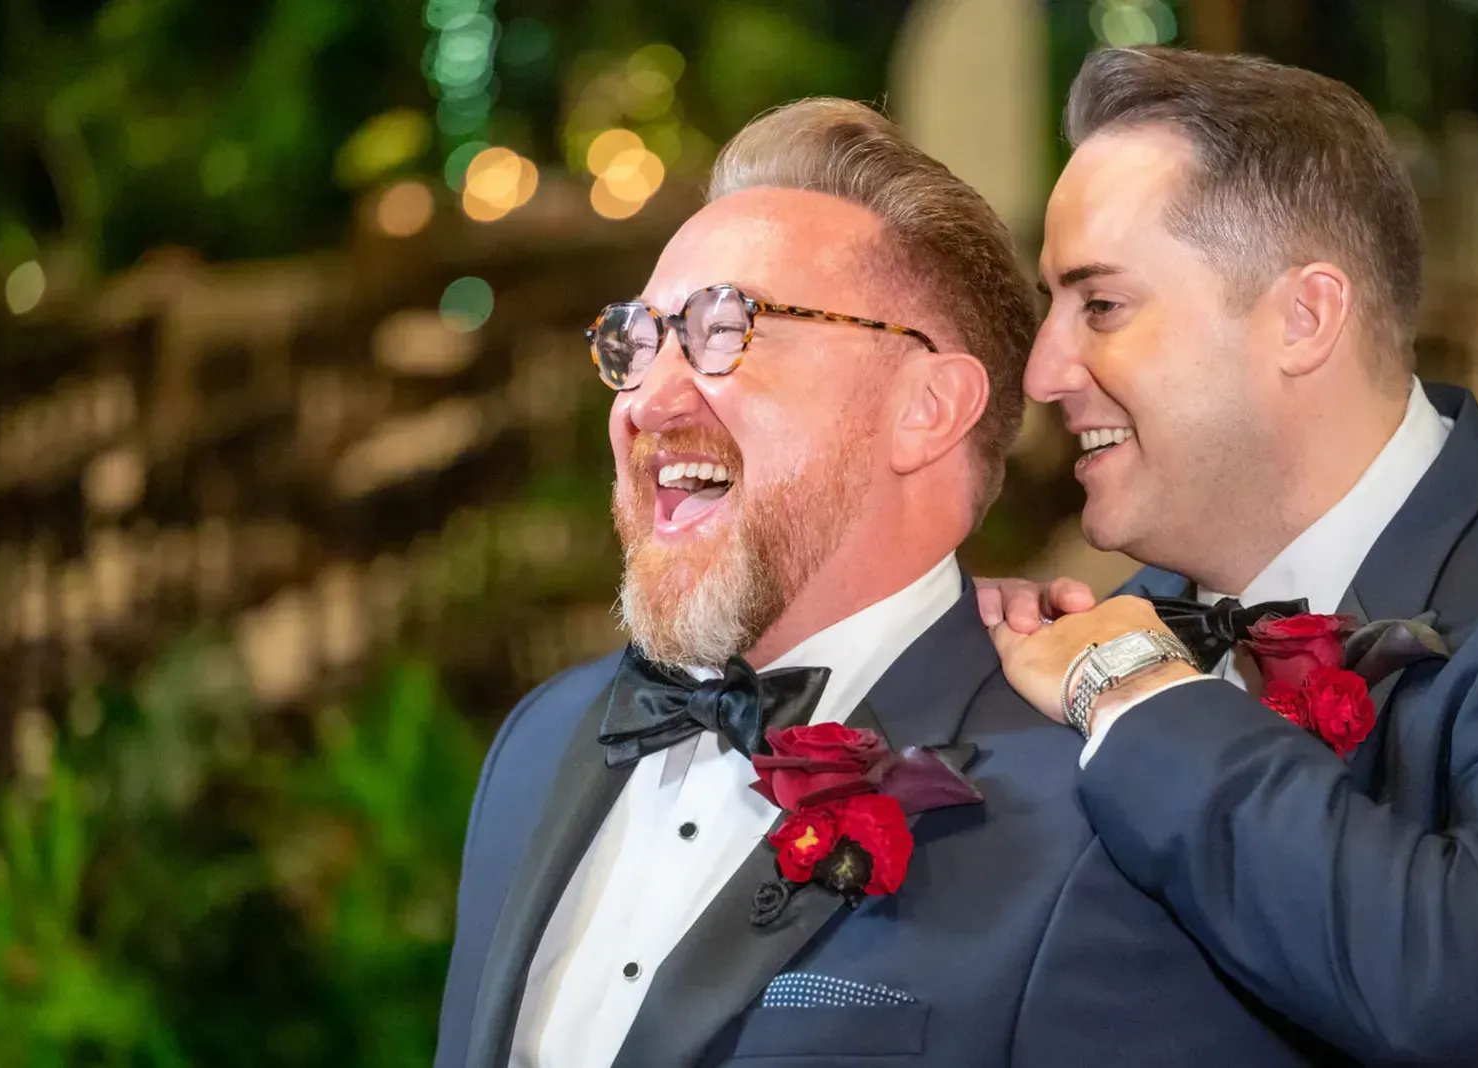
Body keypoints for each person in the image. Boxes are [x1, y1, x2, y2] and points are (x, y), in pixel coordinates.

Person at [434, 98, 1320, 1068]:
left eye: (725, 328)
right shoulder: (539, 740)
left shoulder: (1107, 824)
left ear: (927, 410)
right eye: (638, 342)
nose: (647, 399)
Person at [982, 46, 1478, 1066]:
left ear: (1304, 318)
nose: (1043, 371)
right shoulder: (1109, 628)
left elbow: (1454, 986)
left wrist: (1136, 697)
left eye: (1101, 307)